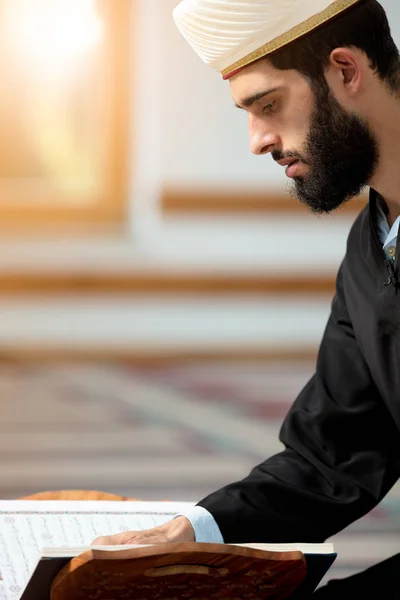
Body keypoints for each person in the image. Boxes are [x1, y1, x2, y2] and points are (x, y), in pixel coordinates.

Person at [94, 0, 400, 596]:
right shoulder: (372, 250)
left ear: (344, 70)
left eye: (268, 106)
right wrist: (195, 533)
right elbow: (332, 457)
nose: (259, 141)